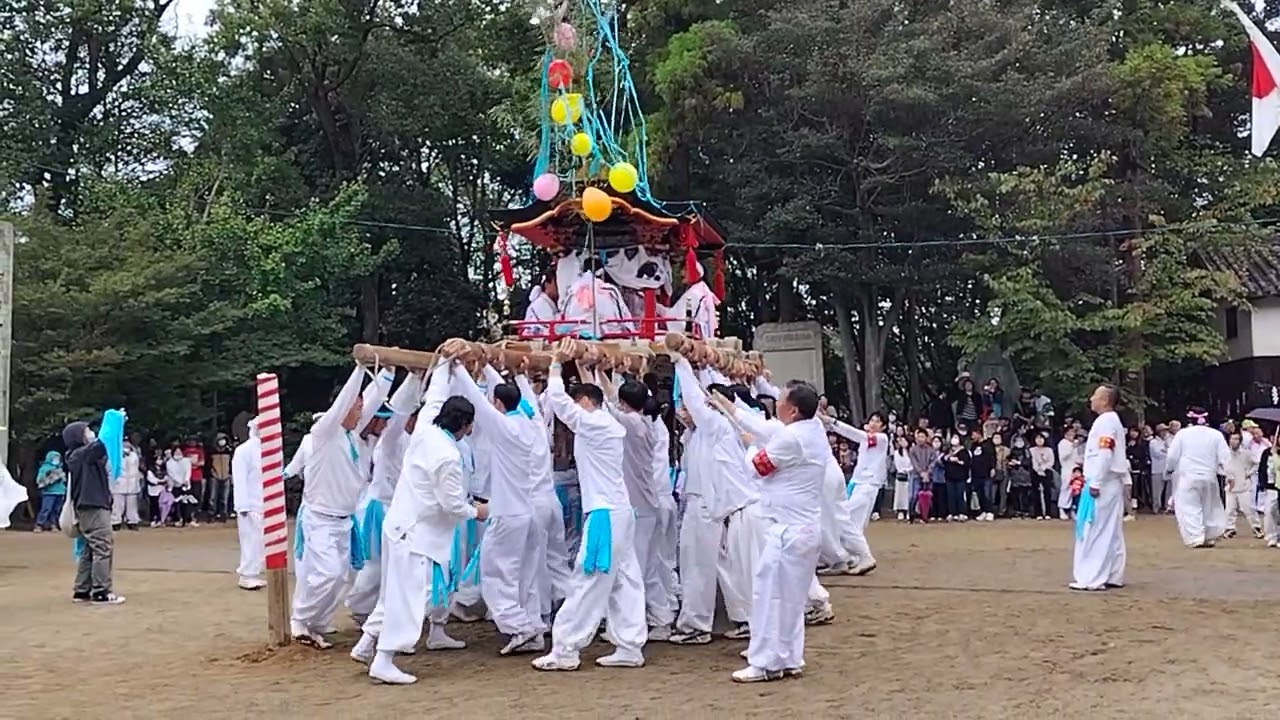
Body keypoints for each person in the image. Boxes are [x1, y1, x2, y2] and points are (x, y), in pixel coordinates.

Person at [354, 393, 486, 685]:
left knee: (395, 592)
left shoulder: (425, 430)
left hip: (401, 528)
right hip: (414, 536)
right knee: (411, 596)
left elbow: (434, 399)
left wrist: (443, 367)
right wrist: (478, 511)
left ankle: (367, 642)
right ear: (463, 424)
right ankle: (384, 658)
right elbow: (451, 504)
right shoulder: (448, 456)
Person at [532, 348, 646, 671]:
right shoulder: (606, 421)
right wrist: (585, 367)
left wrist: (556, 364)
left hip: (605, 516)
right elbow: (595, 396)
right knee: (625, 579)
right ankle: (629, 645)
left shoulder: (596, 423)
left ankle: (566, 648)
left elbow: (560, 403)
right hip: (619, 512)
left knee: (588, 578)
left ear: (584, 403)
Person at [447, 353, 546, 655]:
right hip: (527, 513)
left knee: (494, 576)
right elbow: (512, 396)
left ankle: (521, 628)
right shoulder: (530, 422)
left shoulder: (504, 429)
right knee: (525, 576)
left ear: (499, 405)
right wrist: (491, 368)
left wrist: (458, 367)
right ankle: (532, 626)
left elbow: (478, 403)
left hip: (506, 515)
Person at [290, 364, 393, 649]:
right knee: (327, 573)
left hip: (344, 520)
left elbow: (372, 402)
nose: (362, 413)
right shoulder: (325, 433)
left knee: (341, 578)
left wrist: (388, 373)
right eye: (356, 407)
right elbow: (345, 402)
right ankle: (299, 619)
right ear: (344, 406)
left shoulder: (352, 437)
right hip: (320, 517)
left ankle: (316, 625)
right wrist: (360, 370)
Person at [733, 381, 825, 683]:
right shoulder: (812, 430)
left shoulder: (792, 439)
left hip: (789, 530)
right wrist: (730, 408)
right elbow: (768, 431)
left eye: (781, 400)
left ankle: (765, 663)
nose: (777, 404)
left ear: (794, 410)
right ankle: (788, 657)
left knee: (769, 596)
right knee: (790, 599)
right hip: (803, 528)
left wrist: (750, 446)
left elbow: (757, 467)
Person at [346, 371, 427, 625]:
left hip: (398, 509)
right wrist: (413, 380)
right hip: (379, 509)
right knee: (375, 565)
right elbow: (399, 414)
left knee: (395, 566)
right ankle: (361, 608)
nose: (381, 425)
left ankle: (385, 611)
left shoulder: (413, 440)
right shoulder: (391, 440)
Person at [65, 413, 127, 605]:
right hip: (93, 507)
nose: (91, 433)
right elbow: (103, 442)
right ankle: (101, 591)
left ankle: (82, 589)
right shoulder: (82, 454)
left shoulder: (77, 456)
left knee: (89, 549)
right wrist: (114, 419)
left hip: (86, 507)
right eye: (87, 431)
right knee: (102, 547)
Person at [1070, 385, 1127, 591]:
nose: (1091, 398)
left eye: (1095, 395)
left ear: (1104, 400)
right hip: (1108, 481)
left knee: (1096, 529)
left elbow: (1105, 452)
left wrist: (1096, 482)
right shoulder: (1110, 421)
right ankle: (1113, 573)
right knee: (1111, 530)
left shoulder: (1106, 422)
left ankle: (1091, 577)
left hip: (1102, 482)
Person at [825, 410, 888, 574]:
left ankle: (863, 557)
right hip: (858, 483)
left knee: (845, 519)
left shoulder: (881, 439)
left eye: (878, 422)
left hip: (868, 485)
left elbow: (857, 435)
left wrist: (833, 422)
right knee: (852, 522)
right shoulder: (866, 442)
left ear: (884, 427)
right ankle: (849, 558)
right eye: (872, 420)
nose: (873, 423)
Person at [1166, 408, 1229, 548]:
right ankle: (1209, 535)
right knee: (1209, 506)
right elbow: (1225, 457)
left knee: (1189, 506)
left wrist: (1169, 469)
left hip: (1188, 476)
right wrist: (1228, 474)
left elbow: (1172, 456)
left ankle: (1195, 537)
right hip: (1209, 476)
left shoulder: (1182, 434)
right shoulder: (1216, 435)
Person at [232, 418, 266, 590]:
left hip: (263, 503)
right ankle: (247, 574)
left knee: (260, 541)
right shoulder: (243, 451)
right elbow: (239, 480)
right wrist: (242, 506)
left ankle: (255, 571)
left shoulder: (268, 451)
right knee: (250, 540)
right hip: (249, 505)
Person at [1222, 431, 1262, 539]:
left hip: (1244, 485)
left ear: (1240, 441)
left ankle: (1256, 528)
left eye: (1236, 439)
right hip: (1231, 486)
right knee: (1230, 509)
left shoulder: (1246, 453)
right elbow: (1220, 466)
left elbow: (1257, 464)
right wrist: (1226, 475)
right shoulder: (1225, 453)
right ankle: (1229, 528)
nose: (1233, 441)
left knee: (1248, 509)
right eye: (1232, 439)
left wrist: (1249, 473)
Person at [110, 440, 142, 531]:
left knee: (132, 505)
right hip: (120, 482)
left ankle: (132, 521)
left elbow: (136, 467)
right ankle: (116, 522)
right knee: (118, 505)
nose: (126, 444)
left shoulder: (134, 455)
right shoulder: (116, 455)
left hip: (132, 482)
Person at [34, 451, 67, 532]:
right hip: (49, 492)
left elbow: (63, 481)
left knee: (56, 510)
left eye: (58, 458)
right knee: (46, 509)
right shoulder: (44, 468)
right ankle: (39, 525)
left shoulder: (59, 468)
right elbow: (39, 480)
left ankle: (53, 524)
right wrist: (50, 477)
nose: (56, 460)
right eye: (54, 458)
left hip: (60, 492)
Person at [941, 434, 971, 522]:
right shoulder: (948, 450)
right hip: (949, 476)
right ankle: (952, 513)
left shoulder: (964, 451)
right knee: (951, 495)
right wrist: (949, 458)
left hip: (961, 477)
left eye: (956, 438)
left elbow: (967, 463)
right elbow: (943, 459)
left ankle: (962, 512)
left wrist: (958, 461)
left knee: (960, 495)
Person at [1029, 433, 1056, 521]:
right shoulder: (1032, 450)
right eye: (1037, 438)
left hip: (1047, 471)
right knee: (1036, 492)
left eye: (1041, 438)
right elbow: (1032, 461)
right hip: (1035, 472)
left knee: (1047, 491)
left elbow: (1051, 461)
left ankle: (1048, 513)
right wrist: (1038, 470)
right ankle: (1038, 513)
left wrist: (1044, 468)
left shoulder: (1049, 450)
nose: (1039, 440)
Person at [208, 435, 233, 522]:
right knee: (212, 497)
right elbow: (208, 464)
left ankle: (223, 514)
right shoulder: (212, 452)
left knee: (224, 498)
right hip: (214, 476)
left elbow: (231, 464)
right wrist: (211, 473)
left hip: (226, 476)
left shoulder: (229, 451)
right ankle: (212, 515)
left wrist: (230, 474)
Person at [891, 437, 912, 521]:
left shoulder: (911, 452)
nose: (902, 442)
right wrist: (902, 470)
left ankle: (908, 511)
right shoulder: (896, 453)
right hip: (900, 474)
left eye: (904, 440)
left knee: (908, 494)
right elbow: (897, 464)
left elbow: (913, 463)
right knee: (900, 494)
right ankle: (900, 511)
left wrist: (908, 470)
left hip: (910, 475)